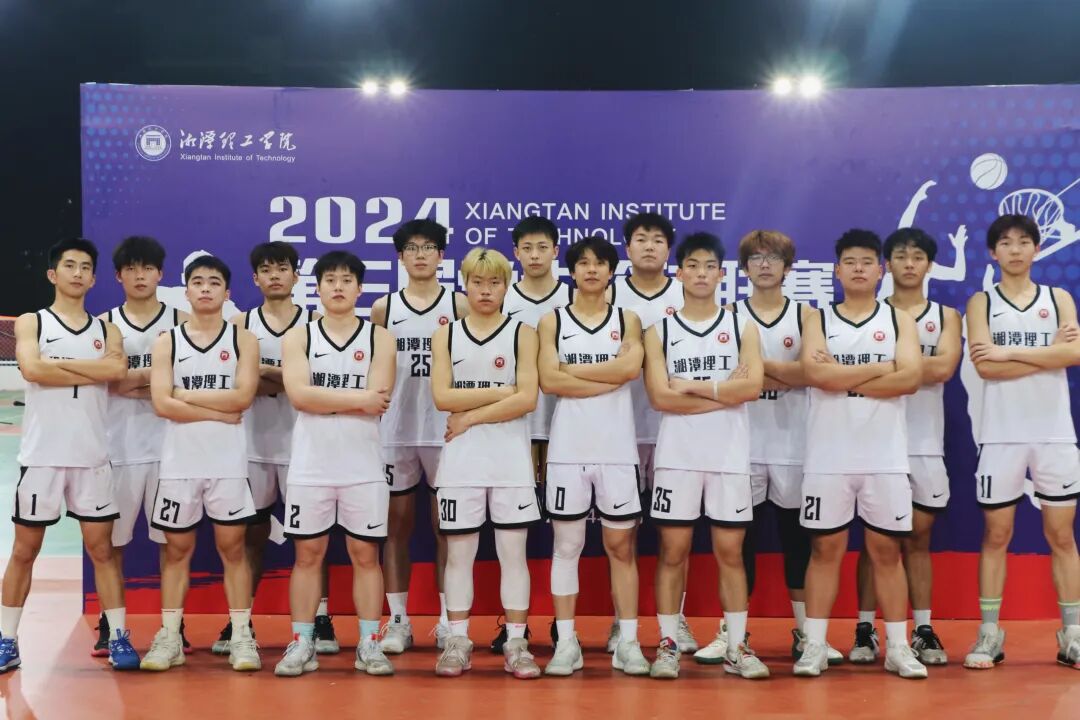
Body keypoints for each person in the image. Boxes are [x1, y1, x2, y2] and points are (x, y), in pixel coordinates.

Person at [695, 230, 843, 665]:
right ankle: (732, 633)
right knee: (737, 546)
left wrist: (755, 370)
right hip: (739, 446)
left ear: (788, 266)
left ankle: (806, 635)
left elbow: (812, 374)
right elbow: (728, 379)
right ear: (743, 268)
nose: (764, 264)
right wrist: (781, 373)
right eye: (756, 258)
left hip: (795, 446)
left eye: (773, 257)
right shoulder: (728, 316)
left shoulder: (807, 316)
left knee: (799, 544)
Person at [793, 229, 927, 679]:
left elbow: (910, 378)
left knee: (886, 551)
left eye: (866, 262)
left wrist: (843, 376)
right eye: (849, 262)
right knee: (824, 549)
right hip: (828, 456)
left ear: (880, 270)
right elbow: (816, 374)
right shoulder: (818, 319)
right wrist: (881, 369)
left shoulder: (899, 320)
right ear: (836, 270)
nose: (857, 269)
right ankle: (814, 644)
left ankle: (898, 647)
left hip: (884, 456)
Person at [1, 238, 135, 673]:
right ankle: (7, 639)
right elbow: (31, 368)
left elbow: (116, 370)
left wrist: (55, 366)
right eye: (69, 265)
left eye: (85, 267)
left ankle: (118, 637)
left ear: (94, 279)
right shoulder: (32, 322)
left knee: (103, 551)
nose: (78, 273)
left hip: (92, 457)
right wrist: (89, 369)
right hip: (42, 457)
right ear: (52, 274)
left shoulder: (107, 331)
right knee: (24, 551)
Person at [644, 232, 768, 680]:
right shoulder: (659, 331)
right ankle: (668, 644)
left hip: (728, 456)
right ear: (679, 273)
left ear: (721, 274)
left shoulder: (741, 327)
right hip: (678, 456)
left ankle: (736, 646)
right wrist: (724, 393)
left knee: (730, 551)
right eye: (692, 265)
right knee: (673, 550)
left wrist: (694, 388)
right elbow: (660, 397)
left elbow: (751, 388)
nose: (700, 273)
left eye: (709, 266)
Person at [964, 214, 1080, 670]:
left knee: (1061, 535)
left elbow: (1074, 353)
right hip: (1001, 436)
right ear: (993, 253)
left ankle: (1072, 633)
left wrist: (1009, 351)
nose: (1015, 250)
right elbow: (985, 366)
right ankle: (989, 632)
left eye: (1024, 242)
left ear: (1037, 249)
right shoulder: (981, 302)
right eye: (1006, 243)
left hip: (1054, 435)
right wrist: (1049, 355)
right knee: (996, 534)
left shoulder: (1058, 298)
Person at [273, 251, 396, 677]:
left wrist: (327, 399)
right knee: (308, 554)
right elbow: (299, 396)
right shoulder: (299, 337)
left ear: (360, 288)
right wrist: (357, 399)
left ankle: (369, 643)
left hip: (363, 465)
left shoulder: (380, 338)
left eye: (347, 280)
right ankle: (302, 642)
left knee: (366, 554)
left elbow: (379, 399)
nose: (339, 286)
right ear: (318, 288)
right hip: (311, 465)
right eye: (330, 280)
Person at [209, 242, 335, 656]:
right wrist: (287, 376)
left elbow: (316, 382)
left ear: (297, 276)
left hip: (306, 447)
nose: (275, 275)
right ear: (255, 278)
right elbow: (239, 385)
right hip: (252, 447)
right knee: (250, 537)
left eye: (283, 268)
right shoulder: (240, 324)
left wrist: (264, 373)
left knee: (313, 540)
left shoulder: (316, 323)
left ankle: (320, 618)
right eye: (266, 269)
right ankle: (240, 620)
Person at [140, 255, 261, 672]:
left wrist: (185, 395)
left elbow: (243, 397)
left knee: (233, 549)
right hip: (180, 465)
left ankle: (241, 635)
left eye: (214, 282)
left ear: (227, 293)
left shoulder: (244, 340)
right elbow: (161, 403)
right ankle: (170, 636)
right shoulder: (167, 341)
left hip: (228, 465)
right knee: (176, 551)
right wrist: (219, 412)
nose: (205, 288)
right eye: (197, 282)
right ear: (186, 291)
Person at [429, 248, 543, 679]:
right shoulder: (447, 335)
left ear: (506, 286)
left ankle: (516, 641)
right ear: (465, 284)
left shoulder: (523, 334)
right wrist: (502, 391)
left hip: (510, 460)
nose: (485, 290)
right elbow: (443, 397)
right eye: (477, 282)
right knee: (459, 554)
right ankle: (457, 639)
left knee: (513, 554)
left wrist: (469, 416)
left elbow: (527, 400)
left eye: (494, 282)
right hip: (461, 461)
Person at [539, 236, 650, 676]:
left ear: (611, 271)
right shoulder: (553, 320)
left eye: (599, 263)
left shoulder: (628, 319)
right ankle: (567, 643)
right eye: (583, 263)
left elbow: (630, 369)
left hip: (617, 448)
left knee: (621, 546)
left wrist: (573, 371)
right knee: (567, 546)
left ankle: (628, 642)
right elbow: (549, 380)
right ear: (571, 271)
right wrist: (608, 376)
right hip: (568, 448)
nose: (591, 269)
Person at [850, 228, 961, 666]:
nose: (910, 263)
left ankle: (923, 629)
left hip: (924, 443)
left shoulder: (946, 316)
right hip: (874, 441)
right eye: (901, 256)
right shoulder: (871, 314)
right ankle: (865, 628)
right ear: (887, 265)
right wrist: (909, 368)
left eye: (918, 256)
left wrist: (889, 367)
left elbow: (944, 368)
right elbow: (849, 368)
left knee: (918, 538)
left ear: (929, 264)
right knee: (874, 541)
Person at [371, 219, 469, 653]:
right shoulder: (384, 308)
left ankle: (449, 620)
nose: (421, 254)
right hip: (396, 430)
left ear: (441, 255)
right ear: (400, 257)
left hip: (445, 430)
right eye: (412, 248)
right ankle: (398, 620)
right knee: (395, 526)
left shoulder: (459, 304)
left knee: (447, 526)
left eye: (429, 247)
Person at [98, 236, 190, 657]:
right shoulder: (104, 325)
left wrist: (137, 383)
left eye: (147, 268)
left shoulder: (183, 323)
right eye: (131, 268)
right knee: (111, 545)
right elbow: (110, 382)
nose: (140, 275)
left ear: (160, 274)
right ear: (119, 276)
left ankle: (173, 626)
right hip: (118, 449)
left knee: (173, 544)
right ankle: (111, 623)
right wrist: (159, 383)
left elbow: (185, 384)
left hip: (173, 449)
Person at [608, 212, 696, 653]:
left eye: (657, 240)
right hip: (616, 428)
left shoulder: (687, 294)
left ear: (669, 250)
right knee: (619, 534)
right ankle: (620, 621)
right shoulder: (607, 294)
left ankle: (675, 619)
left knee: (673, 533)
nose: (648, 246)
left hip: (674, 429)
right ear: (627, 248)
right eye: (640, 239)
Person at [493, 215, 572, 651]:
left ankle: (564, 623)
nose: (536, 255)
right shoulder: (502, 298)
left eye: (543, 247)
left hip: (566, 425)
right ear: (516, 253)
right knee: (511, 532)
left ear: (556, 251)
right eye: (527, 248)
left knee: (567, 532)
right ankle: (513, 625)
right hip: (514, 426)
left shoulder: (575, 298)